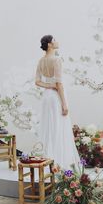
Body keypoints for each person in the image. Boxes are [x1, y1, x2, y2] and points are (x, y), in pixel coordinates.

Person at [35, 34, 81, 170]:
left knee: (49, 126)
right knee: (59, 127)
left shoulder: (41, 61)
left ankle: (48, 161)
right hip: (56, 98)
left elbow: (37, 81)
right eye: (54, 40)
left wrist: (49, 86)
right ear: (49, 44)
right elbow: (59, 84)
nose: (57, 41)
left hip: (46, 97)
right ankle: (59, 162)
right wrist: (64, 104)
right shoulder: (57, 60)